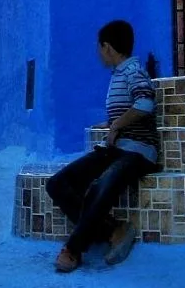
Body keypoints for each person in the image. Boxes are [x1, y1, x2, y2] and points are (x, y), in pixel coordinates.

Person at [45, 20, 158, 273]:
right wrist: (110, 122)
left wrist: (116, 124)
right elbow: (129, 107)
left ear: (107, 47)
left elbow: (145, 104)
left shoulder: (134, 71)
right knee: (57, 184)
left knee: (99, 186)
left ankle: (74, 249)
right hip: (118, 149)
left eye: (99, 47)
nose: (98, 52)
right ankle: (113, 230)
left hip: (139, 151)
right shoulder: (119, 74)